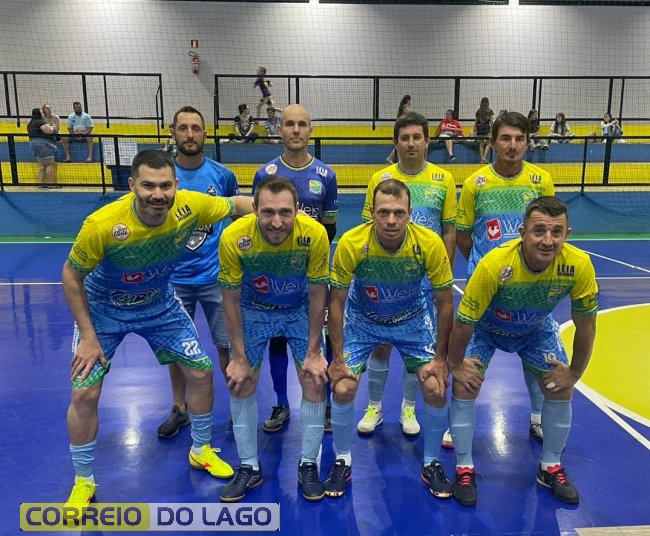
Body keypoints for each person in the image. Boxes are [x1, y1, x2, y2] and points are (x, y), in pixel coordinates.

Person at [62, 149, 254, 514]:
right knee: (84, 394)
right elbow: (71, 276)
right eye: (148, 186)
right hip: (104, 311)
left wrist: (279, 211)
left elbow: (235, 204)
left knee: (201, 371)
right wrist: (87, 336)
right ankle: (84, 480)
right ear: (132, 185)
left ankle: (200, 449)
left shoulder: (191, 206)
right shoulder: (102, 224)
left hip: (158, 305)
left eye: (165, 186)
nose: (157, 194)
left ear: (176, 185)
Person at [448, 196, 598, 507]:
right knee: (465, 386)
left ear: (567, 234)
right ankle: (464, 468)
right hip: (486, 330)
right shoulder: (495, 264)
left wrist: (574, 373)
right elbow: (464, 323)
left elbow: (586, 326)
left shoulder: (578, 265)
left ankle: (550, 467)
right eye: (539, 231)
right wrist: (456, 364)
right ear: (522, 232)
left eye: (556, 232)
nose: (547, 240)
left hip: (535, 331)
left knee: (560, 387)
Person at [324, 179, 455, 499]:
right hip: (364, 320)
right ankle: (342, 460)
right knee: (343, 386)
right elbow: (336, 302)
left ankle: (432, 462)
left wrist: (441, 358)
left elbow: (444, 302)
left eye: (399, 212)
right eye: (384, 212)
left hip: (412, 319)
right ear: (372, 212)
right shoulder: (352, 242)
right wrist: (337, 359)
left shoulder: (429, 242)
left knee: (436, 386)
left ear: (410, 213)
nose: (391, 220)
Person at [218, 176, 330, 502]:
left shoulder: (314, 234)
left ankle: (308, 464)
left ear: (297, 209)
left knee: (314, 379)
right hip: (253, 310)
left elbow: (318, 293)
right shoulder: (234, 237)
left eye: (285, 212)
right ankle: (249, 466)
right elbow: (230, 299)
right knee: (241, 382)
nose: (277, 222)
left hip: (298, 310)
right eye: (268, 212)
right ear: (254, 209)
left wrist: (314, 352)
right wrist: (238, 358)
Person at [453, 111, 555, 448]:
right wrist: (489, 269)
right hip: (487, 291)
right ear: (493, 142)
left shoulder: (541, 180)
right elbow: (464, 235)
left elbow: (547, 229)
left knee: (535, 354)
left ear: (527, 142)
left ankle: (538, 417)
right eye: (506, 138)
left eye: (519, 139)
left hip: (532, 288)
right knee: (471, 357)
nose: (512, 145)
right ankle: (459, 423)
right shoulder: (476, 183)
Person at [358, 111, 456, 437]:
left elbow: (448, 230)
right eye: (405, 138)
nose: (411, 143)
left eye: (417, 137)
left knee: (417, 349)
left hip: (425, 281)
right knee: (380, 345)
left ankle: (409, 407)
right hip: (385, 279)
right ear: (396, 143)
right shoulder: (380, 178)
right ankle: (374, 406)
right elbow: (366, 229)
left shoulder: (443, 179)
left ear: (427, 142)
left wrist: (443, 275)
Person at [252, 104, 338, 434]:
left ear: (311, 130)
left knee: (321, 342)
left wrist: (306, 250)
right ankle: (281, 403)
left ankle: (325, 404)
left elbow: (329, 228)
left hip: (312, 276)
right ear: (280, 130)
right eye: (289, 124)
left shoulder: (326, 175)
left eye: (302, 124)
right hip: (275, 279)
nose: (296, 130)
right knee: (277, 342)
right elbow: (258, 223)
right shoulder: (266, 174)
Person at [156, 106, 241, 439]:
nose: (189, 135)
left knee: (227, 346)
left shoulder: (222, 176)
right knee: (177, 349)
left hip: (216, 278)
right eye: (183, 128)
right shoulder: (163, 177)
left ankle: (238, 408)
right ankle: (180, 409)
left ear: (205, 134)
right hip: (173, 280)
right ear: (173, 132)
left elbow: (239, 217)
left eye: (195, 128)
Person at [27, 107, 58, 188]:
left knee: (42, 166)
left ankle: (41, 184)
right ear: (39, 114)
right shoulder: (40, 122)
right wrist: (53, 127)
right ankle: (51, 184)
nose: (44, 114)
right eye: (42, 113)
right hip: (43, 144)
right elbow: (48, 131)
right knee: (49, 164)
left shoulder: (30, 124)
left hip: (33, 144)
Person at [386, 94, 412, 164]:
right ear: (408, 101)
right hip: (401, 129)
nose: (410, 102)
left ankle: (391, 158)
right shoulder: (405, 109)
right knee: (400, 144)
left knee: (399, 145)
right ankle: (395, 159)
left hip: (399, 128)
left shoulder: (401, 108)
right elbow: (413, 115)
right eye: (410, 101)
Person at [473, 97, 494, 164]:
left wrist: (475, 129)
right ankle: (484, 157)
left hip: (480, 128)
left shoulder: (478, 111)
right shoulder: (489, 111)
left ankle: (482, 159)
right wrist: (493, 129)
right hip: (486, 128)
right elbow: (491, 122)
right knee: (489, 143)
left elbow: (476, 122)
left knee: (481, 144)